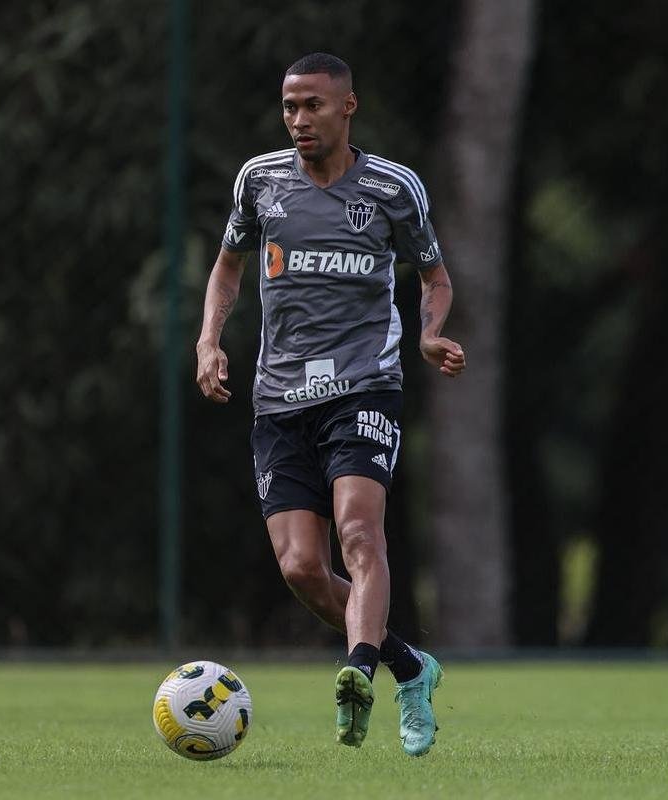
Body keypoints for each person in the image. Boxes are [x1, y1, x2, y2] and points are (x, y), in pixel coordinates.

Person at [194, 52, 465, 757]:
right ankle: (410, 666)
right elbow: (229, 263)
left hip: (364, 383)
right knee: (300, 568)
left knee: (359, 534)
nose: (298, 119)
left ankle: (357, 671)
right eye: (289, 106)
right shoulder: (260, 181)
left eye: (312, 105)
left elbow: (435, 277)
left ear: (348, 107)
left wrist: (432, 334)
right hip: (279, 395)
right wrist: (209, 340)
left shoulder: (391, 188)